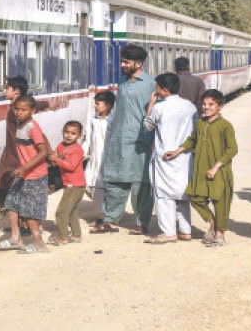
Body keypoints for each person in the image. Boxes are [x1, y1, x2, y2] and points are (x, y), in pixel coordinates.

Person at [90, 44, 155, 235]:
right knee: (114, 180)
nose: (122, 65)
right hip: (118, 138)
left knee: (139, 184)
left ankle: (141, 222)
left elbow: (153, 113)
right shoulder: (123, 82)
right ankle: (111, 220)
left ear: (138, 63)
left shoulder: (150, 84)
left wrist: (151, 139)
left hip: (139, 140)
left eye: (126, 62)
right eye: (122, 61)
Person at [164, 89, 238, 247]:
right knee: (194, 196)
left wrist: (216, 167)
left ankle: (220, 235)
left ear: (220, 106)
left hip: (219, 171)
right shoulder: (200, 123)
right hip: (201, 169)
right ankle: (213, 223)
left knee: (221, 202)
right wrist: (177, 151)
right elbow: (192, 140)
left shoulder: (225, 126)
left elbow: (232, 149)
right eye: (204, 104)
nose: (206, 107)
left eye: (211, 104)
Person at [141, 73, 197, 244]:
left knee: (164, 196)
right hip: (184, 156)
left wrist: (150, 106)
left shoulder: (159, 108)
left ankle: (169, 232)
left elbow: (147, 127)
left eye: (157, 88)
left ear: (164, 90)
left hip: (165, 157)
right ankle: (186, 230)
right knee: (182, 194)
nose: (156, 91)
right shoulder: (190, 106)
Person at [0, 95, 50, 253]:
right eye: (16, 109)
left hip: (35, 175)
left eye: (23, 110)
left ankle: (39, 244)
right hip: (23, 174)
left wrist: (24, 167)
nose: (18, 112)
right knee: (12, 205)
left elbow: (43, 151)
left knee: (30, 212)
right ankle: (15, 238)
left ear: (33, 110)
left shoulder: (32, 127)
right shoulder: (19, 125)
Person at [47, 121, 86, 246]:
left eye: (73, 134)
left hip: (75, 186)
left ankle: (62, 237)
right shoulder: (60, 146)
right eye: (67, 132)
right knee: (72, 211)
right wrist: (53, 160)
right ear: (62, 132)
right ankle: (76, 235)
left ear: (79, 136)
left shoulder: (77, 149)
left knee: (61, 212)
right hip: (69, 184)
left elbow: (71, 166)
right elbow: (55, 156)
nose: (69, 136)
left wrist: (56, 160)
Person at [82, 90, 116, 225]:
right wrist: (82, 153)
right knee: (90, 185)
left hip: (108, 159)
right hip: (94, 159)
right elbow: (88, 139)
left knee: (104, 188)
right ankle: (102, 214)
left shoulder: (113, 121)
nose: (95, 107)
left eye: (98, 104)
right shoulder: (93, 121)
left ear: (107, 106)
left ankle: (105, 217)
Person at [0, 75, 28, 191]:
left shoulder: (16, 110)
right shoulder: (19, 107)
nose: (5, 91)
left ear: (16, 92)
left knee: (12, 182)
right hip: (14, 150)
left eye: (7, 88)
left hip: (15, 151)